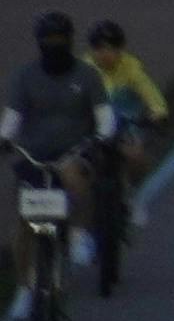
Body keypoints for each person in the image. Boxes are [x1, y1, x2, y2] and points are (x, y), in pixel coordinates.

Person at [5, 15, 101, 301]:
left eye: (59, 39)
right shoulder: (24, 77)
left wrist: (102, 134)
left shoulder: (86, 75)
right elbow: (12, 117)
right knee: (25, 224)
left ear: (70, 40)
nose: (54, 45)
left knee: (75, 177)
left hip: (73, 151)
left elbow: (102, 113)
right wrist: (4, 138)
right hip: (34, 156)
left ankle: (77, 234)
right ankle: (24, 289)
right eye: (49, 40)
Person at [77, 22, 159, 293]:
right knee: (80, 177)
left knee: (135, 156)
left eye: (111, 48)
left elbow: (152, 96)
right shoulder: (82, 71)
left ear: (121, 50)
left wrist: (157, 112)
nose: (105, 54)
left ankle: (131, 196)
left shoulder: (131, 68)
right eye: (99, 48)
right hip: (89, 134)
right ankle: (85, 234)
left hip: (124, 131)